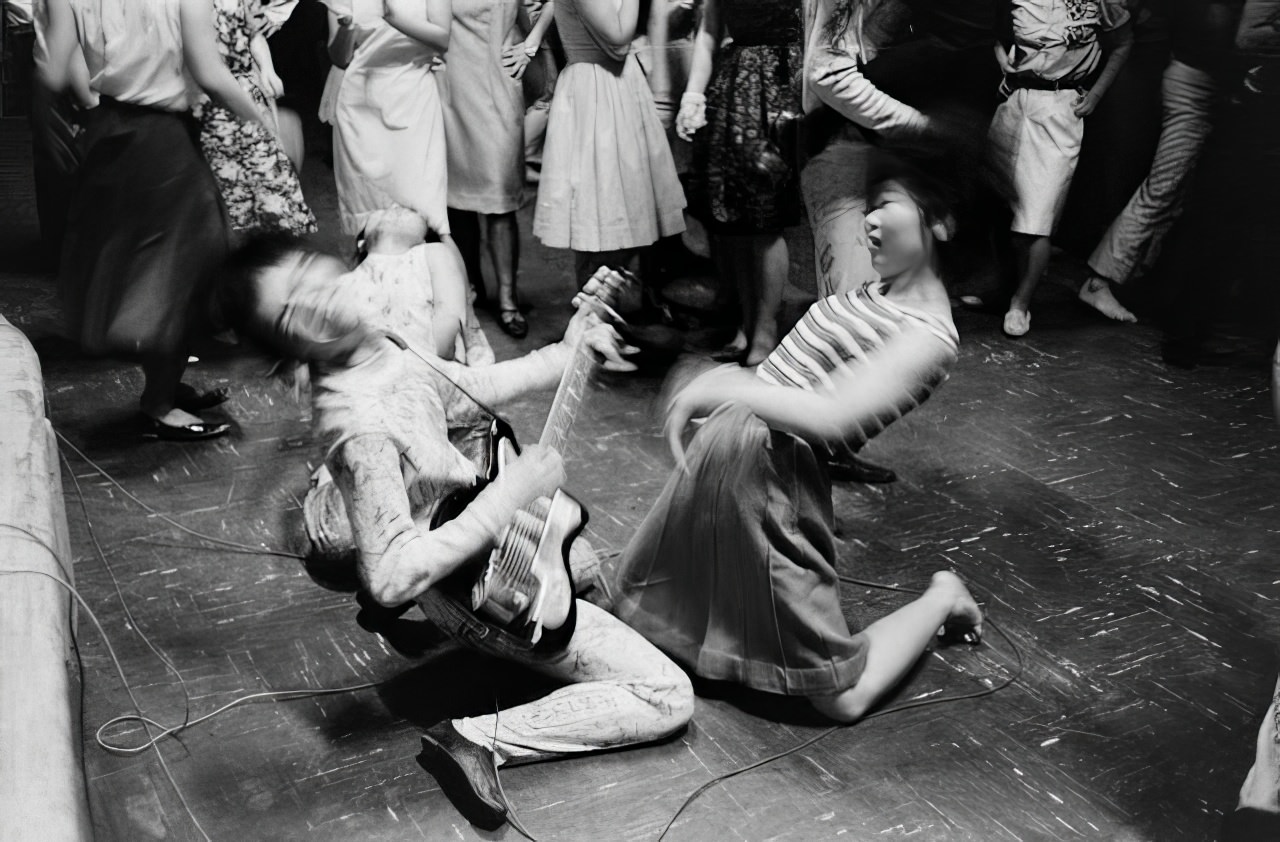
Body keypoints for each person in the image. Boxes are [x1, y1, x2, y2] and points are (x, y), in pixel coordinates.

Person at [219, 247, 694, 831]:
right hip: (465, 585)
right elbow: (391, 577)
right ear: (288, 350)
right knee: (665, 693)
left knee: (590, 574)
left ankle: (454, 642)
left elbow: (468, 385)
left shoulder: (380, 342)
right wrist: (508, 495)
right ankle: (475, 738)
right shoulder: (359, 428)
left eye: (303, 278)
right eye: (290, 315)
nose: (313, 301)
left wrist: (564, 353)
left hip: (469, 537)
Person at [613, 158, 985, 722]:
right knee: (651, 618)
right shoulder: (880, 290)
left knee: (840, 696)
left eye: (889, 205)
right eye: (871, 208)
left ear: (943, 223)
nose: (871, 223)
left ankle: (943, 596)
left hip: (772, 476)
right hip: (736, 449)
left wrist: (730, 384)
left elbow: (835, 418)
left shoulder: (930, 337)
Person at [40, 0, 267, 440]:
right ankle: (159, 403)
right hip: (166, 141)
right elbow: (210, 74)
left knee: (143, 271)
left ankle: (164, 385)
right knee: (180, 278)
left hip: (110, 134)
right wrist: (263, 124)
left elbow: (52, 72)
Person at [1077, 0, 1243, 323]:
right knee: (1162, 189)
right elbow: (1213, 30)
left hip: (1198, 83)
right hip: (1193, 87)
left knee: (1176, 196)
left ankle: (1131, 279)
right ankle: (1099, 281)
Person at [988, 0, 1133, 337]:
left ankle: (1020, 304)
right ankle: (999, 292)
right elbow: (988, 32)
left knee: (1037, 221)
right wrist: (1001, 60)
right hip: (1015, 104)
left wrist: (1096, 94)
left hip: (1061, 108)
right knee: (1001, 209)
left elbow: (1124, 43)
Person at [676, 0, 803, 367]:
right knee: (736, 218)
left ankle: (765, 333)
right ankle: (747, 326)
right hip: (736, 83)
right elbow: (710, 30)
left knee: (766, 215)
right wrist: (693, 95)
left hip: (783, 81)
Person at [532, 0, 687, 286]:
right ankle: (591, 309)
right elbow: (617, 43)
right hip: (596, 90)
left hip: (619, 86)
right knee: (599, 204)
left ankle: (620, 301)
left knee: (628, 201)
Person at [439, 0, 546, 338]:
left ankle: (508, 300)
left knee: (500, 200)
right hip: (450, 88)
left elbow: (549, 10)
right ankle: (470, 287)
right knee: (457, 202)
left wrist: (530, 45)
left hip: (499, 86)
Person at [327, 0, 452, 240]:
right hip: (361, 105)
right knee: (369, 216)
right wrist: (346, 27)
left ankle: (434, 272)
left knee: (424, 210)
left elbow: (442, 38)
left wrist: (388, 14)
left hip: (413, 98)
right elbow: (340, 58)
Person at [199, 0, 317, 236]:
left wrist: (267, 68)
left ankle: (266, 239)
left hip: (248, 86)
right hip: (214, 94)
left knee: (269, 178)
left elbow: (251, 33)